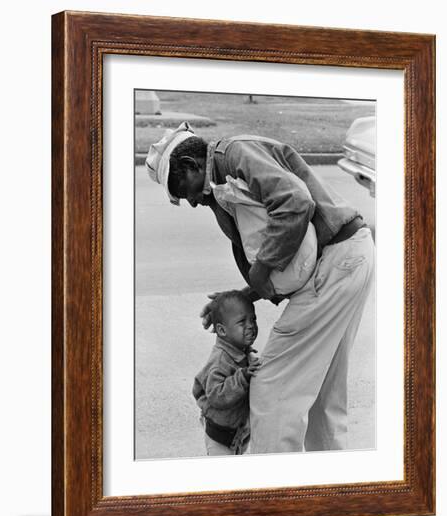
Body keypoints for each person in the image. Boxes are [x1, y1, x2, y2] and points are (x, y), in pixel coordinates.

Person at [146, 121, 375, 453]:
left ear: (191, 165)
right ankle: (329, 490)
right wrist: (243, 295)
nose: (193, 202)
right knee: (323, 395)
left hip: (336, 265)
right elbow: (283, 259)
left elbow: (295, 203)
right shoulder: (222, 176)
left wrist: (261, 271)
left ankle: (274, 494)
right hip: (349, 259)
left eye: (186, 191)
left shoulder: (235, 153)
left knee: (271, 389)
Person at [192, 290, 261, 455]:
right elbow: (217, 395)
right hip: (219, 437)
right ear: (222, 331)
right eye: (242, 322)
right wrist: (242, 377)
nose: (250, 325)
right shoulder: (220, 360)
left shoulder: (240, 351)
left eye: (253, 319)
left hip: (238, 433)